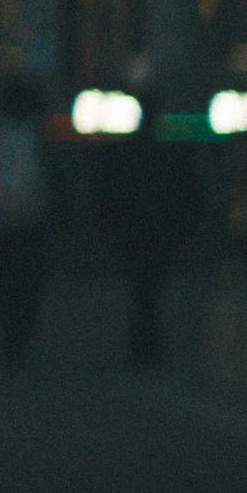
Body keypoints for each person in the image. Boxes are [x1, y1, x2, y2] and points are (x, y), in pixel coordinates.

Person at [95, 101, 214, 370]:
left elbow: (108, 193)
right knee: (147, 289)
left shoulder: (127, 154)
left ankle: (144, 342)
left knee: (143, 289)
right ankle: (147, 343)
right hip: (155, 231)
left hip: (140, 231)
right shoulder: (166, 155)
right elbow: (190, 197)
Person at [0, 102, 66, 371]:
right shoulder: (36, 140)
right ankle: (16, 338)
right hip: (25, 220)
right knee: (22, 283)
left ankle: (11, 337)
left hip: (2, 220)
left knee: (6, 283)